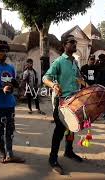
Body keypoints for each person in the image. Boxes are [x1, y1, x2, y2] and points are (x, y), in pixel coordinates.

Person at [43, 34, 87, 175]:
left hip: (74, 101)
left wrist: (86, 85)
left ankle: (68, 151)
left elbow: (78, 78)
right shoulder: (59, 61)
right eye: (71, 42)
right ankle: (53, 158)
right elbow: (46, 78)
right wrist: (54, 85)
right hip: (61, 102)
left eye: (75, 42)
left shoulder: (74, 62)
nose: (74, 44)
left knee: (71, 128)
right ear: (64, 45)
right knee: (60, 130)